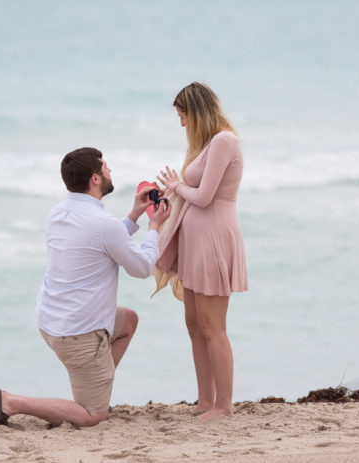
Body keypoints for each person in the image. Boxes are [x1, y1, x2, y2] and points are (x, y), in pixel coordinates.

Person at [0, 147, 171, 427]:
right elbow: (142, 268)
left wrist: (133, 215)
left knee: (128, 320)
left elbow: (98, 242)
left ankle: (96, 384)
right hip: (79, 334)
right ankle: (10, 402)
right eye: (106, 167)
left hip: (50, 321)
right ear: (95, 179)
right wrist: (155, 226)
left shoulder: (58, 213)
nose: (110, 171)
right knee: (92, 416)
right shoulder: (104, 224)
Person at [155, 82, 248, 420]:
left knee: (213, 326)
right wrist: (176, 187)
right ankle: (205, 399)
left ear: (196, 112)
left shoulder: (224, 141)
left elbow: (205, 196)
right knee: (194, 323)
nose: (181, 123)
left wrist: (177, 185)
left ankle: (224, 405)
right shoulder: (208, 143)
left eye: (182, 116)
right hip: (195, 241)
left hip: (213, 239)